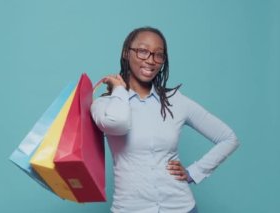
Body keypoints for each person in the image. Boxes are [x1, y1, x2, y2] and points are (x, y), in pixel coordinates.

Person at [90, 26, 240, 213]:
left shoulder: (175, 101)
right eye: (143, 51)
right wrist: (119, 90)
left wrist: (194, 172)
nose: (151, 60)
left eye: (158, 55)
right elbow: (118, 124)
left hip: (181, 207)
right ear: (126, 53)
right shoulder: (105, 104)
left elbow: (228, 138)